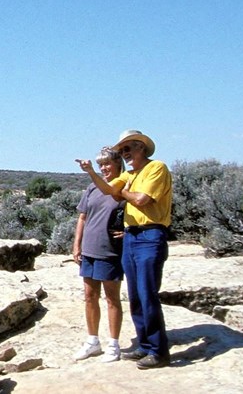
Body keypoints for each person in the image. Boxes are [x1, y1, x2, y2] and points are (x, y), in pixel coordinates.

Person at [77, 129, 173, 369]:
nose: (125, 154)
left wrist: (123, 190)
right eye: (122, 151)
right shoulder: (131, 174)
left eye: (127, 149)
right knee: (136, 295)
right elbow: (109, 189)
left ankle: (159, 351)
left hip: (150, 234)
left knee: (147, 292)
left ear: (141, 147)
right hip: (132, 235)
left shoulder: (156, 168)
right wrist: (91, 173)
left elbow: (141, 200)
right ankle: (144, 346)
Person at [71, 146, 125, 362]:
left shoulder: (123, 188)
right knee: (90, 296)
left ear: (118, 164)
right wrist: (77, 245)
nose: (104, 168)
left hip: (110, 251)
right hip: (90, 248)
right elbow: (82, 217)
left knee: (112, 298)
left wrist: (128, 232)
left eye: (107, 164)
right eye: (101, 165)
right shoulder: (92, 188)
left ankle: (114, 344)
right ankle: (93, 341)